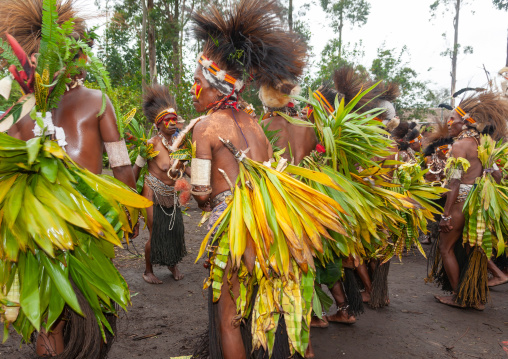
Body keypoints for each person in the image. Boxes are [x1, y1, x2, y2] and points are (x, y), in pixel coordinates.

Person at [0, 0, 143, 357]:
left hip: (33, 229)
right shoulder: (98, 100)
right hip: (87, 224)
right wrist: (129, 215)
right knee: (60, 323)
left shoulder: (15, 113)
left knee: (48, 322)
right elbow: (122, 168)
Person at [434, 90, 508, 309]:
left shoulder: (459, 147)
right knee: (470, 249)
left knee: (446, 249)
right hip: (477, 207)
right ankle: (475, 297)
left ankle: (459, 296)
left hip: (460, 203)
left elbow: (454, 184)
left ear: (465, 123)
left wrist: (446, 215)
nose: (448, 123)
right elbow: (498, 176)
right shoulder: (484, 145)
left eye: (452, 119)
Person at [134, 85, 188, 284]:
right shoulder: (150, 143)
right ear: (159, 124)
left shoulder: (178, 144)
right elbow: (137, 168)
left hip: (170, 193)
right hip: (152, 192)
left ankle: (172, 265)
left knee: (174, 231)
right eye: (168, 120)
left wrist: (203, 179)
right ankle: (148, 271)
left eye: (175, 120)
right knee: (156, 233)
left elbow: (187, 169)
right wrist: (130, 192)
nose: (172, 123)